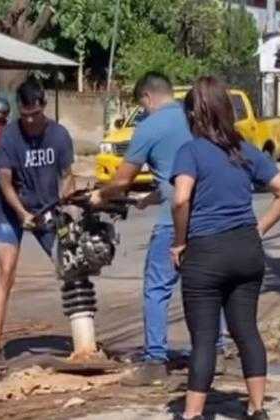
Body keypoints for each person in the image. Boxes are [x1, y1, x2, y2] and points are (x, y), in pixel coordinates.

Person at [170, 76, 280, 420]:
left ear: (194, 115)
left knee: (205, 338)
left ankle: (193, 414)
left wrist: (179, 243)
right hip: (246, 250)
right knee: (247, 332)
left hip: (205, 254)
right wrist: (258, 228)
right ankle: (257, 410)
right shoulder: (244, 149)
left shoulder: (190, 152)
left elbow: (181, 199)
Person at [89, 71, 216, 385]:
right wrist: (151, 197)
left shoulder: (148, 127)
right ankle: (219, 351)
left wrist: (99, 195)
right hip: (207, 215)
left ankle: (155, 360)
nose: (143, 110)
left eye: (142, 105)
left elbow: (122, 180)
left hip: (174, 221)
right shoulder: (195, 120)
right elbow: (183, 172)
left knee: (157, 287)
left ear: (147, 98)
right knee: (208, 287)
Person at [0, 80, 75, 369]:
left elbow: (67, 175)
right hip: (12, 210)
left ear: (43, 107)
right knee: (6, 270)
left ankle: (82, 339)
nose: (30, 121)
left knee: (69, 265)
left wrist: (67, 197)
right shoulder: (9, 137)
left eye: (35, 114)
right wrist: (22, 213)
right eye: (24, 115)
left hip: (46, 210)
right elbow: (4, 181)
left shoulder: (59, 135)